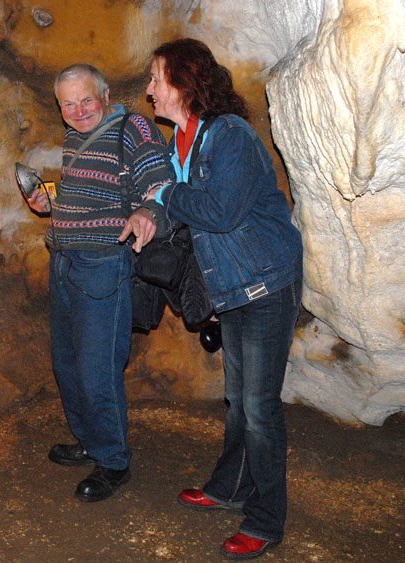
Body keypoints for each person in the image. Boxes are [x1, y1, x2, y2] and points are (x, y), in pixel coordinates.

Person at [121, 39, 303, 559]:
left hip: (267, 280)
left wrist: (164, 198)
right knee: (239, 400)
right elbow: (176, 209)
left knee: (260, 408)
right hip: (235, 284)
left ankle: (267, 519)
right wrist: (149, 215)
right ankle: (230, 487)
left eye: (157, 78)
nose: (150, 90)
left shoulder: (230, 136)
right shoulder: (183, 142)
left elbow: (219, 211)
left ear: (184, 81)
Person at [26, 63, 170, 502]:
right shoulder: (76, 137)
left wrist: (148, 212)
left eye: (85, 99)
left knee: (97, 369)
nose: (78, 110)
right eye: (68, 104)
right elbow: (95, 193)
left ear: (105, 94)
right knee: (67, 363)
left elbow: (160, 182)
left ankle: (112, 460)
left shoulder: (134, 127)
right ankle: (89, 439)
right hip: (65, 261)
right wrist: (51, 200)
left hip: (103, 265)